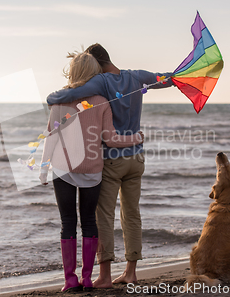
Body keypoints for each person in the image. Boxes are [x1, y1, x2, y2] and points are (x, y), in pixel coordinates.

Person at [46, 43, 175, 288]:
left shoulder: (100, 83)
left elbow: (67, 95)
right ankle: (131, 272)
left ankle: (104, 276)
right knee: (132, 215)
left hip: (113, 159)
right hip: (136, 159)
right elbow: (165, 79)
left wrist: (51, 98)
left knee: (103, 217)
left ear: (94, 63)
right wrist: (183, 75)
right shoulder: (137, 77)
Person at [40, 51, 144, 292]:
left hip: (63, 169)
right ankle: (87, 279)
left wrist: (44, 168)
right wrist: (136, 138)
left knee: (68, 222)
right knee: (89, 222)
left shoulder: (59, 101)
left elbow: (51, 138)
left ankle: (70, 280)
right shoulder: (101, 102)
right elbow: (111, 139)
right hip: (94, 171)